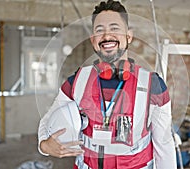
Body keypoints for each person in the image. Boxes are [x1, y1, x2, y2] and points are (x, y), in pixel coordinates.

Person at [38, 0, 176, 168]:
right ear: (93, 39)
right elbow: (47, 119)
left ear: (129, 36)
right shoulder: (77, 81)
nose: (106, 36)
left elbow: (165, 146)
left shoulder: (153, 85)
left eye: (114, 28)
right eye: (99, 30)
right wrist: (44, 146)